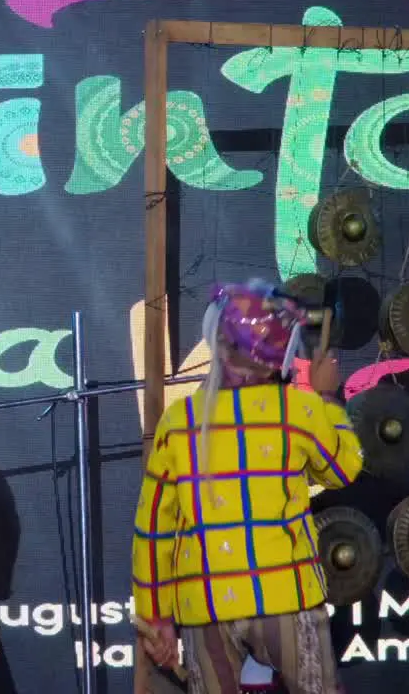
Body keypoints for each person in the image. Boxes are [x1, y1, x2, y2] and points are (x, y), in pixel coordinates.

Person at [132, 280, 363, 694]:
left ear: (219, 344)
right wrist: (329, 398)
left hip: (205, 605)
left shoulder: (179, 421)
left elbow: (154, 531)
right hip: (286, 599)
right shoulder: (300, 410)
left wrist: (156, 617)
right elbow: (343, 469)